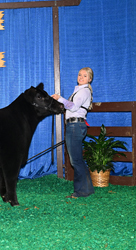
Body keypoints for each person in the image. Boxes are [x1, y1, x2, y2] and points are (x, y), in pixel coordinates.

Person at [51, 67, 95, 198]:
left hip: (75, 125)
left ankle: (81, 191)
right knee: (77, 159)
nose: (81, 77)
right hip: (75, 125)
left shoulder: (84, 92)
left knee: (75, 160)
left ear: (90, 79)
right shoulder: (80, 91)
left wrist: (60, 98)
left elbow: (73, 106)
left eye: (85, 76)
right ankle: (87, 189)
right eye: (80, 75)